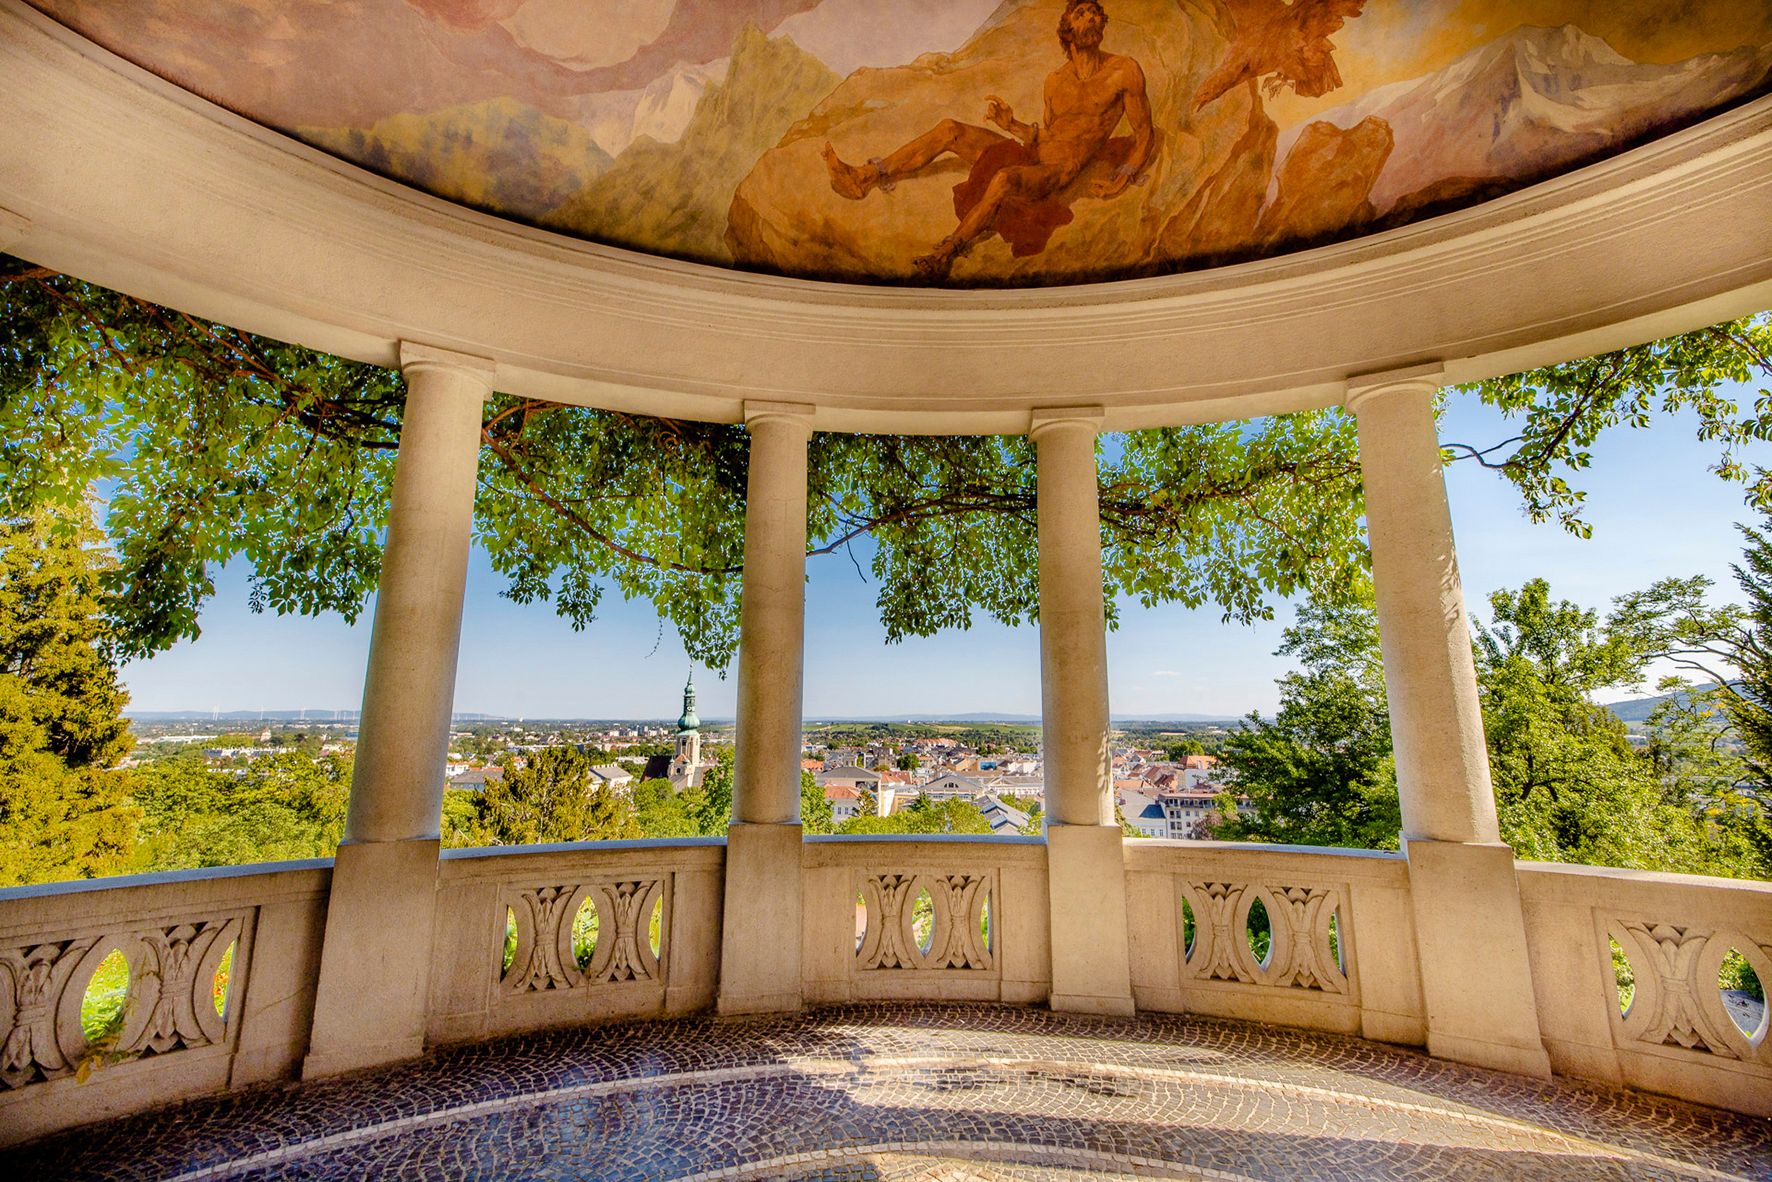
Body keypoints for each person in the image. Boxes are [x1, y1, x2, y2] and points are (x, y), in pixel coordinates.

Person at [823, 0, 1153, 278]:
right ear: (1067, 29)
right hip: (1034, 153)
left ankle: (949, 249)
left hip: (1059, 170)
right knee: (949, 128)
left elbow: (1144, 134)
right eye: (1080, 13)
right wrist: (1012, 125)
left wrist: (1124, 176)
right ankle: (865, 176)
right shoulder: (1055, 81)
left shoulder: (1124, 71)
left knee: (1004, 179)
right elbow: (1046, 136)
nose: (1090, 17)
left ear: (1103, 22)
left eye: (1094, 12)